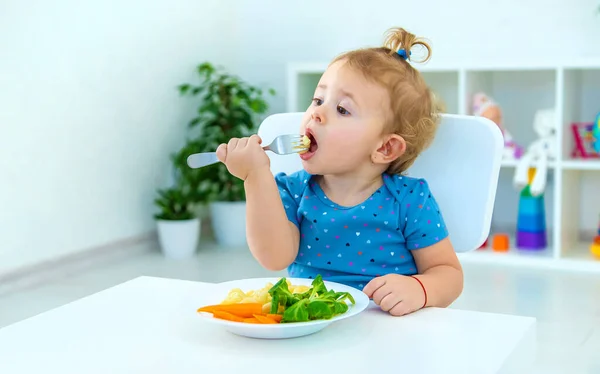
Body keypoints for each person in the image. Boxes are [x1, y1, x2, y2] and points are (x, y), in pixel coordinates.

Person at [215, 27, 463, 316]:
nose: (316, 113)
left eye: (342, 109)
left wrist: (420, 289)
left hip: (386, 329)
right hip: (309, 325)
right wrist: (256, 177)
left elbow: (449, 275)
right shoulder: (293, 191)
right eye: (318, 100)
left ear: (384, 149)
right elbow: (274, 257)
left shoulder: (409, 200)